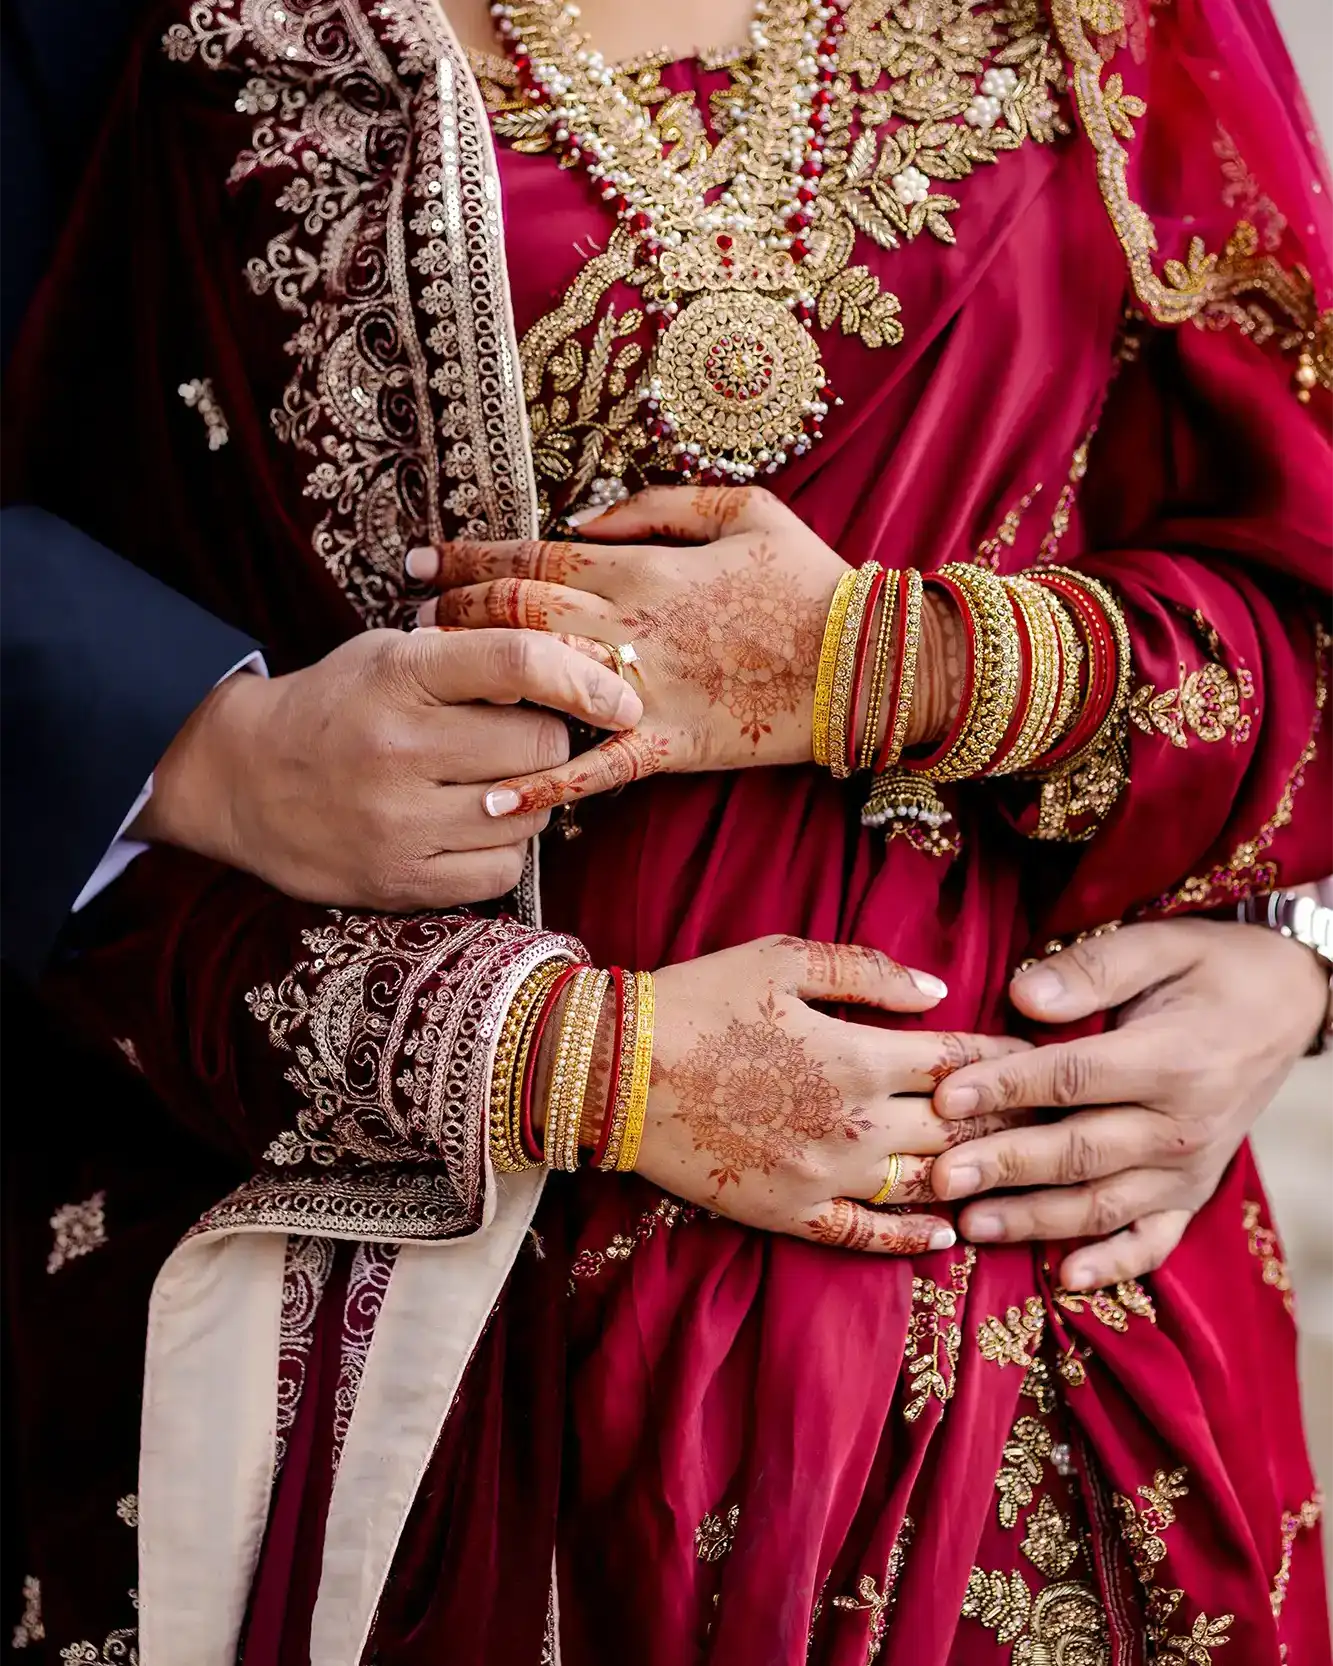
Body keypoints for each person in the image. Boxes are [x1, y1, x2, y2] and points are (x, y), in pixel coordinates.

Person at [3, 0, 1333, 1663]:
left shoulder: (1130, 24)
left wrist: (900, 671)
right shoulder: (199, 46)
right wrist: (555, 1050)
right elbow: (83, 737)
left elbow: (1292, 582)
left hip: (1048, 1316)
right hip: (419, 1343)